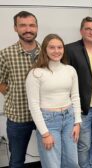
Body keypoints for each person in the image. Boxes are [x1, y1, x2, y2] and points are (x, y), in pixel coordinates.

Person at [25, 34, 81, 168]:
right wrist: (45, 133)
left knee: (72, 162)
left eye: (60, 47)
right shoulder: (35, 74)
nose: (56, 51)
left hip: (69, 119)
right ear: (45, 50)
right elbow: (33, 106)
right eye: (52, 47)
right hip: (49, 122)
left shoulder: (70, 70)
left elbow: (75, 97)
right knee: (52, 164)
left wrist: (77, 122)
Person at [65, 16, 92, 168]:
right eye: (88, 29)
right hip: (83, 108)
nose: (91, 32)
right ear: (81, 31)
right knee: (83, 144)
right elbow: (66, 79)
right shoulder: (70, 50)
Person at [0, 11, 39, 167]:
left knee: (50, 155)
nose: (28, 29)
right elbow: (1, 81)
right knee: (17, 160)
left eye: (31, 25)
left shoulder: (48, 52)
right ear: (15, 28)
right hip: (18, 118)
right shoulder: (5, 54)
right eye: (23, 25)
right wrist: (10, 94)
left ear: (37, 27)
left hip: (45, 116)